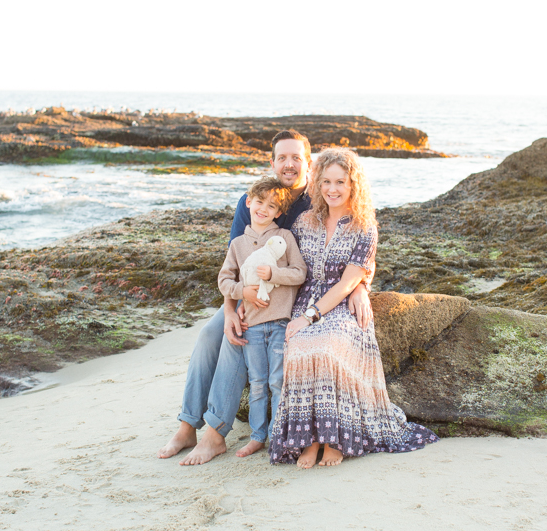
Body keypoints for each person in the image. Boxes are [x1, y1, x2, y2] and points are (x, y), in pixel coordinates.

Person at [157, 130, 375, 461]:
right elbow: (236, 261)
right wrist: (230, 309)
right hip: (248, 293)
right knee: (209, 335)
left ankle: (215, 433)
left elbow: (344, 247)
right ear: (271, 162)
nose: (289, 165)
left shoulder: (316, 199)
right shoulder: (255, 200)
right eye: (282, 158)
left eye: (296, 158)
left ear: (309, 162)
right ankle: (188, 427)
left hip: (289, 298)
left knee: (238, 340)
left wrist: (359, 285)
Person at [269, 148, 439, 468]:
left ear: (353, 185)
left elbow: (347, 282)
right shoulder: (305, 223)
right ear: (318, 183)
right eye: (327, 182)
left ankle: (335, 439)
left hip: (341, 306)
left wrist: (354, 289)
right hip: (305, 300)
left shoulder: (364, 227)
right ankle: (312, 440)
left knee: (328, 346)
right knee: (299, 347)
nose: (333, 189)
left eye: (341, 182)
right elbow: (287, 263)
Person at [207, 176, 306, 459]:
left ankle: (277, 435)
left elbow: (299, 273)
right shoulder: (238, 244)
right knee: (258, 383)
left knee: (277, 381)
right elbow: (224, 280)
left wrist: (274, 274)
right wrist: (243, 292)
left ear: (279, 213)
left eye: (272, 206)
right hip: (251, 326)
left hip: (278, 323)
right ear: (248, 202)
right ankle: (257, 436)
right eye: (259, 202)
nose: (264, 208)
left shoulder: (284, 239)